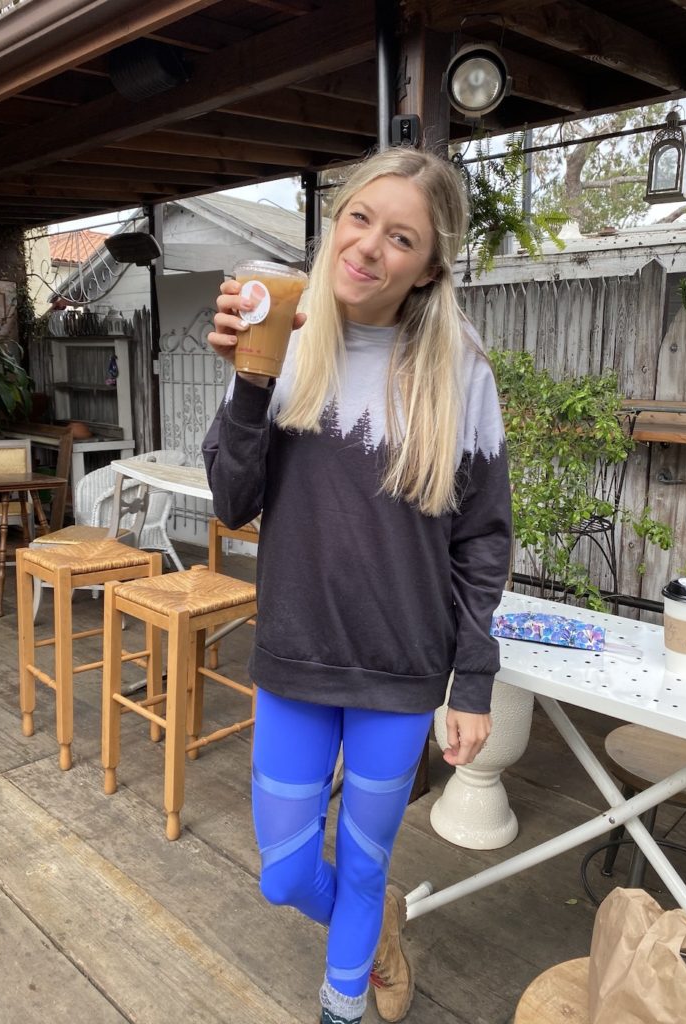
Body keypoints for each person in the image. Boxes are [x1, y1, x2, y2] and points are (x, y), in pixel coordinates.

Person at [202, 147, 511, 1024]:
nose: (371, 247)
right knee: (286, 874)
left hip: (401, 675)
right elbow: (231, 502)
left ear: (428, 266)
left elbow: (484, 540)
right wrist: (250, 384)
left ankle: (344, 1002)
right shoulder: (285, 340)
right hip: (296, 660)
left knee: (367, 865)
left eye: (402, 236)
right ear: (336, 223)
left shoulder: (461, 372)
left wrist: (473, 681)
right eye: (360, 219)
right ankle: (375, 928)